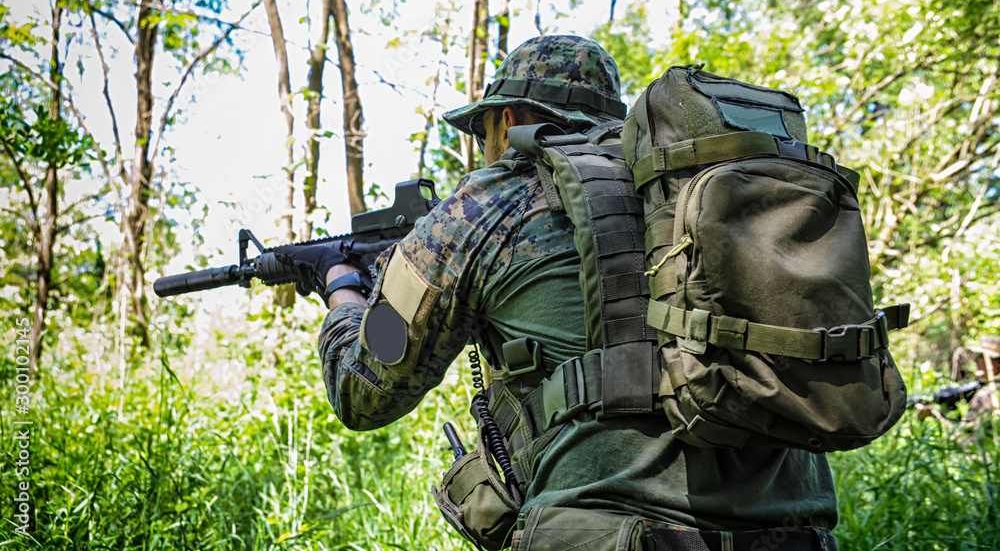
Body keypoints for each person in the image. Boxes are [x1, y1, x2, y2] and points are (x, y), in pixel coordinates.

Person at [280, 35, 839, 551]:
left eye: (482, 134)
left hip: (607, 533)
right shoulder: (689, 188)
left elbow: (363, 391)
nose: (485, 149)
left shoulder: (487, 202)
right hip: (795, 531)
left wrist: (342, 286)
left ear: (509, 119)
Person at [917, 335, 1000, 431]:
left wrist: (935, 415)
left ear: (998, 363)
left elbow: (968, 441)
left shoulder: (989, 396)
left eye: (981, 356)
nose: (975, 359)